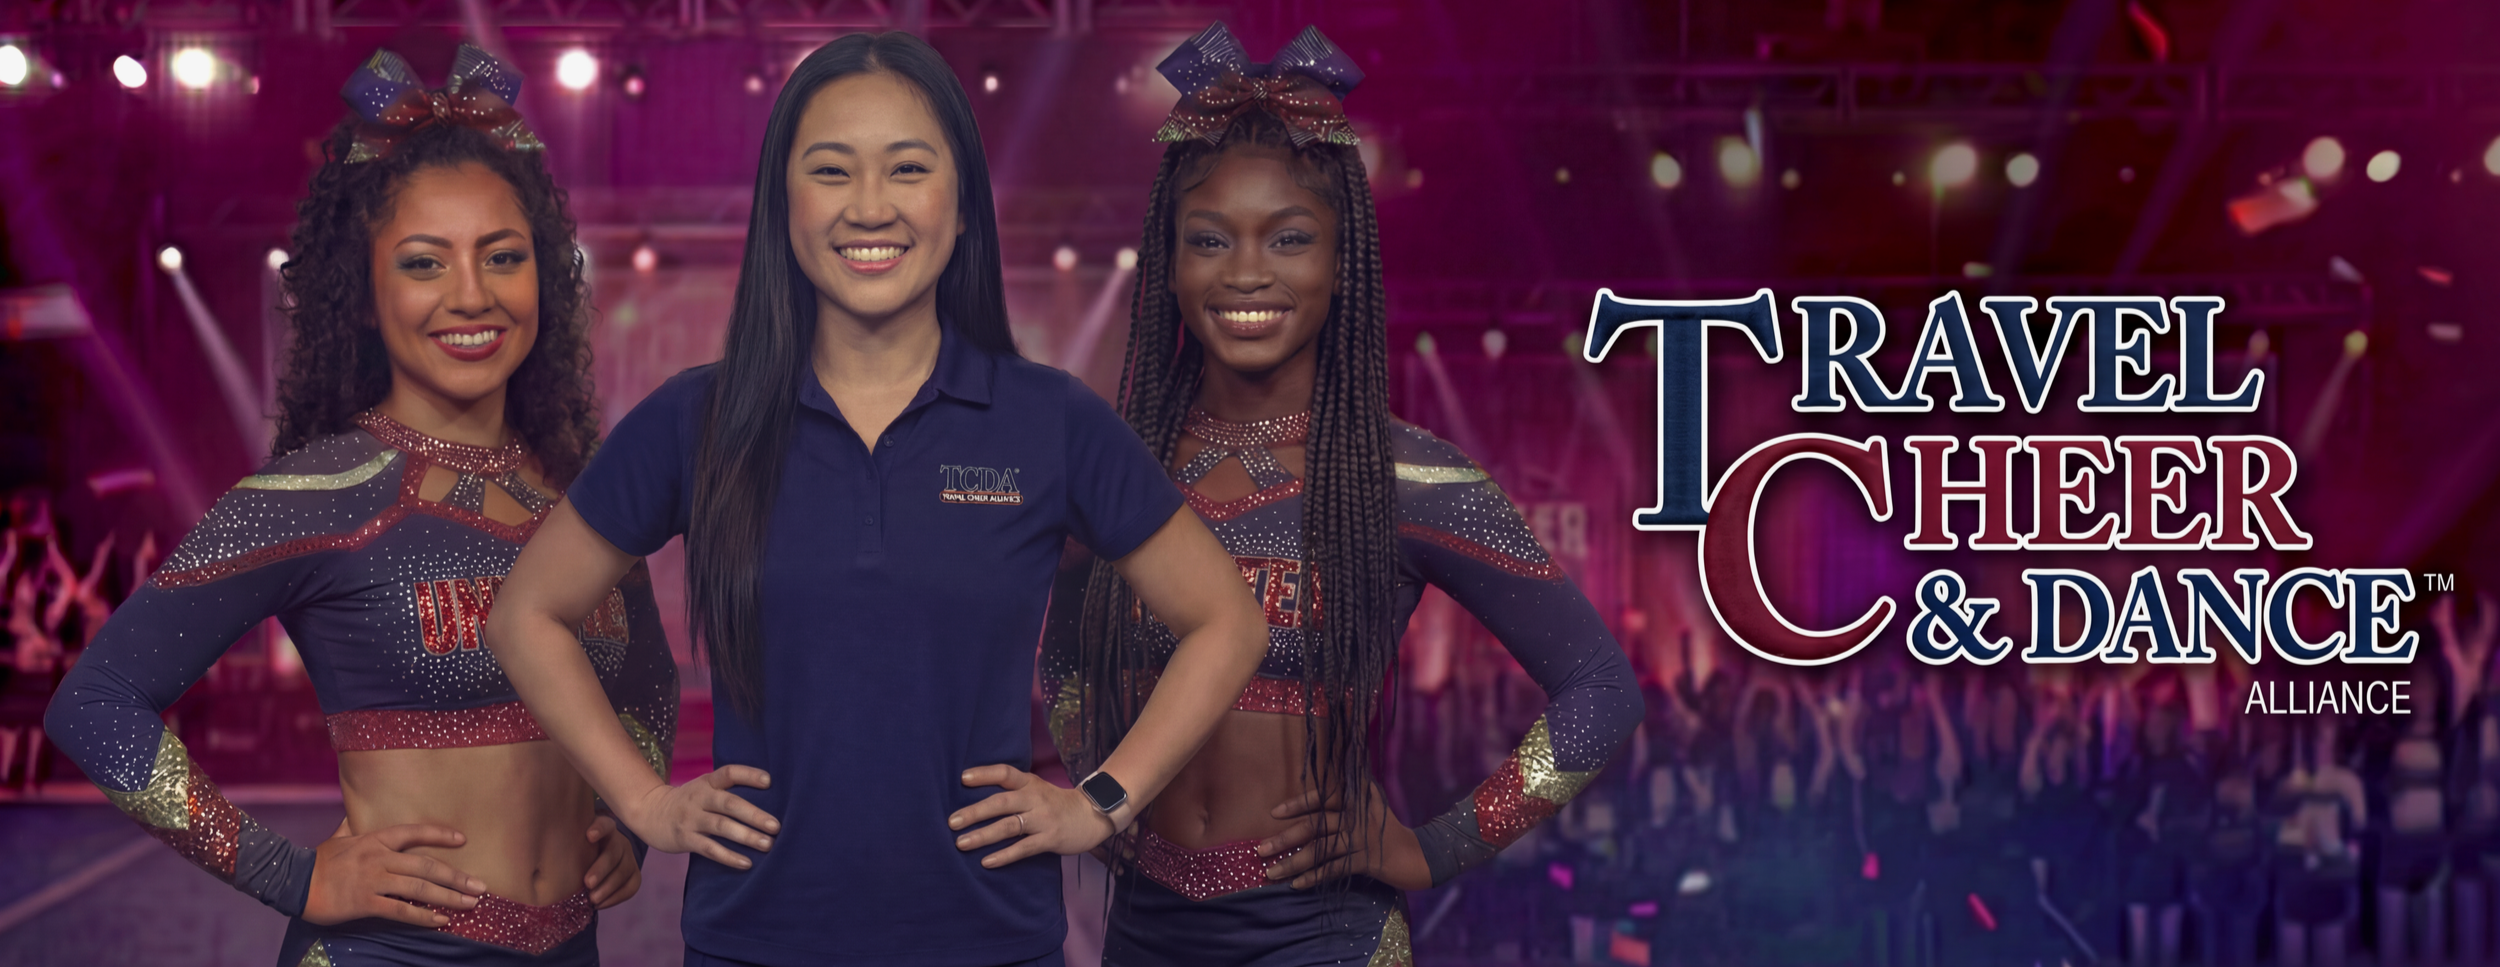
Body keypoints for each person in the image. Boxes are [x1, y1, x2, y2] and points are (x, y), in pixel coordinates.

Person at [481, 31, 1269, 967]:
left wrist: (1101, 800)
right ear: (784, 202)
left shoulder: (1047, 418)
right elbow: (526, 614)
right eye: (831, 170)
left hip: (990, 942)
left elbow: (1227, 621)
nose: (869, 207)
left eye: (906, 168)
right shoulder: (699, 417)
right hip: (754, 942)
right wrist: (648, 800)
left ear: (963, 203)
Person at [44, 45, 672, 967]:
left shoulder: (586, 492)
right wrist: (288, 875)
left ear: (545, 275)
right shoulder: (316, 495)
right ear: (364, 295)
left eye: (504, 256)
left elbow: (651, 678)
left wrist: (629, 816)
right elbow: (93, 704)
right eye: (425, 263)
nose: (472, 295)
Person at [1035, 23, 1643, 966]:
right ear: (1168, 262)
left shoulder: (1404, 478)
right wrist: (1096, 785)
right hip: (1145, 933)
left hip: (1326, 938)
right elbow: (1065, 657)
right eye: (1209, 239)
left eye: (1288, 238)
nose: (1246, 272)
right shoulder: (1117, 468)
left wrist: (1433, 845)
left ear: (1341, 261)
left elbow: (1602, 691)